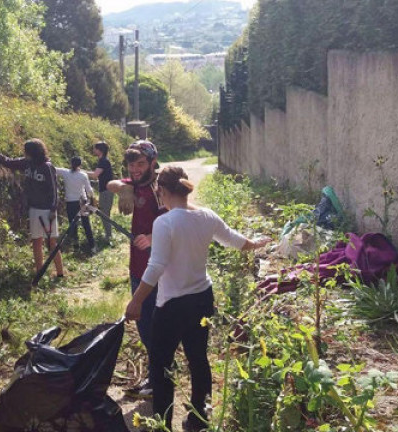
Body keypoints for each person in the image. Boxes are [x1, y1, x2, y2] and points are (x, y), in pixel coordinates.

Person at [125, 166, 270, 431]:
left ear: (164, 192)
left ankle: (162, 424)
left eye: (159, 192)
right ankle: (198, 417)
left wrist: (136, 301)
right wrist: (258, 243)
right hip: (202, 299)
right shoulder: (206, 216)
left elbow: (156, 267)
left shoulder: (164, 222)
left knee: (161, 366)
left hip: (171, 305)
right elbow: (236, 241)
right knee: (198, 358)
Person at [105, 139, 166, 399]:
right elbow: (109, 183)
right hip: (137, 267)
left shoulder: (160, 188)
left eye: (141, 163)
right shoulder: (135, 185)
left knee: (157, 325)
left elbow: (178, 217)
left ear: (153, 162)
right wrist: (124, 189)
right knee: (144, 324)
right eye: (131, 165)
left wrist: (153, 237)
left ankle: (160, 380)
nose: (135, 169)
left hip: (160, 268)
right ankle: (159, 375)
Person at [0, 138, 64, 278]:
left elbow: (54, 190)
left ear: (33, 152)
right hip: (34, 209)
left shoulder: (47, 167)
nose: (24, 153)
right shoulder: (27, 163)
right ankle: (39, 272)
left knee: (51, 242)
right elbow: (9, 162)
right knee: (36, 241)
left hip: (48, 210)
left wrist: (53, 209)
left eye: (26, 151)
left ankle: (60, 273)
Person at [55, 157, 95, 254]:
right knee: (86, 224)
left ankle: (76, 246)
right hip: (82, 203)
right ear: (80, 165)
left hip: (70, 203)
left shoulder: (65, 172)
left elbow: (53, 168)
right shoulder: (83, 175)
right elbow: (89, 190)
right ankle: (92, 246)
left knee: (73, 224)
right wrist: (92, 199)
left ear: (70, 163)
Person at [87, 141, 115, 243]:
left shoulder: (103, 161)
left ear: (100, 150)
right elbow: (98, 177)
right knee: (104, 212)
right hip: (105, 190)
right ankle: (108, 235)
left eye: (95, 148)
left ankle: (109, 237)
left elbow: (95, 175)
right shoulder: (102, 160)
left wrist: (81, 172)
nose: (93, 150)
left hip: (107, 191)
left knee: (104, 213)